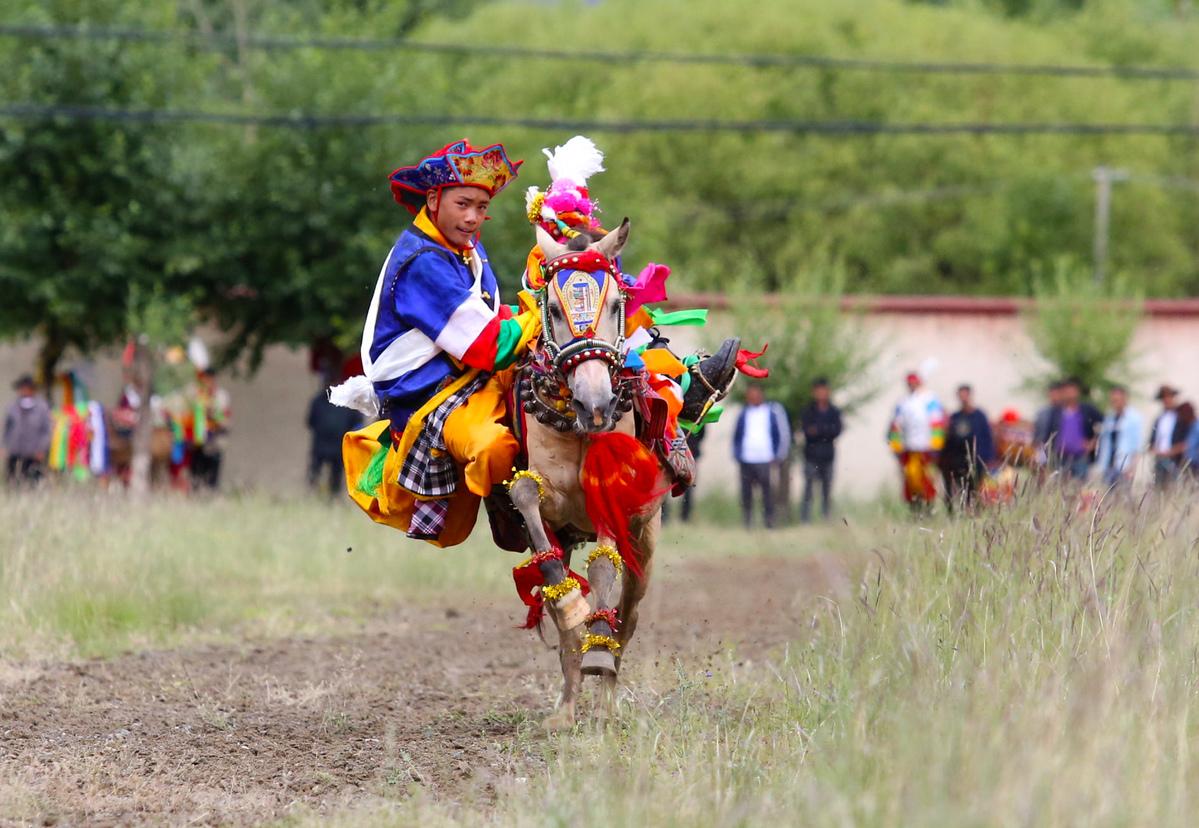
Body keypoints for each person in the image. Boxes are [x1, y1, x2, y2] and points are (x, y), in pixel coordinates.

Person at [332, 138, 744, 547]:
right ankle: (513, 511)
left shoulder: (461, 248)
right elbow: (487, 344)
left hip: (468, 372)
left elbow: (490, 320)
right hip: (433, 393)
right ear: (435, 199)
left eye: (482, 207)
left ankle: (679, 390)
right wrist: (539, 314)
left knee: (600, 341)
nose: (474, 217)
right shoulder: (425, 262)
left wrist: (541, 316)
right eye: (464, 204)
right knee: (495, 447)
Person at [732, 384, 790, 529]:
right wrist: (737, 454)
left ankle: (769, 523)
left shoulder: (772, 411)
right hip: (746, 459)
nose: (752, 397)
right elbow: (737, 435)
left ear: (761, 394)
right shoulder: (744, 413)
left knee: (768, 494)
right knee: (746, 494)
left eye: (755, 394)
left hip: (765, 459)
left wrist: (778, 455)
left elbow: (782, 434)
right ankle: (747, 523)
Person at [887, 371, 946, 511]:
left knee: (928, 482)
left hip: (926, 449)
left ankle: (928, 510)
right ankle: (915, 510)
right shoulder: (903, 402)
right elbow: (895, 426)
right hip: (909, 449)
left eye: (914, 383)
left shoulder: (930, 400)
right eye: (909, 383)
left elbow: (937, 423)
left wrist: (936, 447)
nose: (912, 386)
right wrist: (896, 447)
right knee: (911, 482)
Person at [939, 384, 995, 512]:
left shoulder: (979, 416)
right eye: (961, 395)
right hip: (959, 462)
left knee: (976, 490)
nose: (963, 398)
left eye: (965, 395)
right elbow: (949, 441)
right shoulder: (955, 418)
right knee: (964, 491)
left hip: (977, 461)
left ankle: (977, 512)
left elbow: (987, 438)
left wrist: (987, 459)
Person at [797, 378, 842, 522]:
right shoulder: (808, 411)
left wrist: (819, 430)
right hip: (811, 455)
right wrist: (824, 431)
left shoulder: (834, 411)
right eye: (818, 391)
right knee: (808, 489)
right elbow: (807, 430)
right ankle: (806, 519)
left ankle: (826, 518)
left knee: (827, 490)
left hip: (828, 455)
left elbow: (837, 430)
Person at [307, 384, 361, 496]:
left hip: (335, 447)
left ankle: (330, 498)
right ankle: (313, 494)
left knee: (334, 478)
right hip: (324, 446)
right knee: (315, 476)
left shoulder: (348, 403)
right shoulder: (319, 401)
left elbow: (357, 424)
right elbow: (310, 421)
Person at [1045, 377, 1102, 481]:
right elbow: (1048, 432)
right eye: (1066, 391)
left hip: (1080, 457)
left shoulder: (1087, 410)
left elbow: (1104, 425)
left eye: (1072, 390)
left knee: (1079, 487)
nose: (1069, 394)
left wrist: (1093, 442)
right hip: (1060, 457)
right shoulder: (1056, 411)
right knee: (1059, 487)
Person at [183, 368, 231, 490]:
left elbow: (225, 418)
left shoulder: (220, 396)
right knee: (195, 471)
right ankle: (196, 492)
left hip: (214, 439)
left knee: (212, 472)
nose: (207, 381)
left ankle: (210, 494)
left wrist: (212, 414)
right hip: (196, 441)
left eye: (209, 379)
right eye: (204, 379)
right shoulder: (195, 395)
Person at [3, 374, 52, 485]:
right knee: (13, 480)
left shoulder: (42, 408)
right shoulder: (12, 407)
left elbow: (47, 431)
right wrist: (4, 447)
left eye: (27, 388)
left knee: (33, 481)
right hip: (15, 452)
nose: (24, 391)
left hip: (34, 453)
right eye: (22, 388)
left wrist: (42, 449)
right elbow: (6, 429)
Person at [1095, 384, 1143, 488]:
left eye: (1117, 400)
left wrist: (1132, 467)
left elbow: (1137, 446)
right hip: (1108, 464)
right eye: (1112, 400)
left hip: (1124, 465)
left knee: (1122, 496)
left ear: (1124, 399)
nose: (1114, 403)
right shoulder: (1109, 417)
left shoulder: (1134, 418)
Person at [1149, 385, 1191, 488]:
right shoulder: (1159, 419)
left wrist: (1171, 451)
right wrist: (1156, 450)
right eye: (1164, 398)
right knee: (1159, 488)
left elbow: (1188, 441)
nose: (1167, 400)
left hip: (1176, 461)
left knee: (1175, 487)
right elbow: (1152, 441)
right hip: (1159, 460)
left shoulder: (1182, 418)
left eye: (1169, 397)